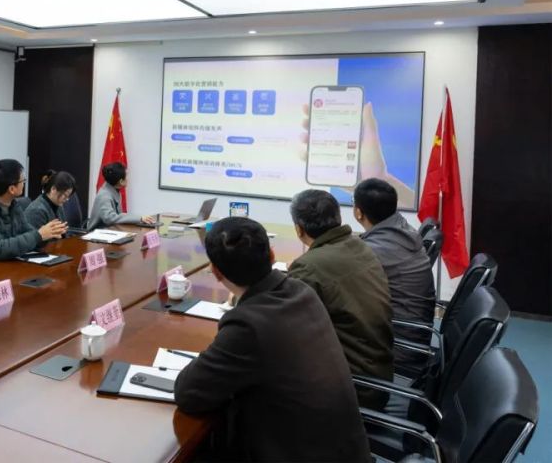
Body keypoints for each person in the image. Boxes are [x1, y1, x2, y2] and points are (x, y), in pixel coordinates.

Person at [174, 217, 370, 462]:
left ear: (215, 272)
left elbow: (188, 393)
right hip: (345, 451)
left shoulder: (248, 326)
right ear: (272, 255)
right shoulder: (302, 291)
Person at [287, 189, 394, 409]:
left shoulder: (309, 266)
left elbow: (279, 325)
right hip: (378, 375)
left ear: (299, 229)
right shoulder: (358, 245)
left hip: (350, 389)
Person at [354, 178, 436, 372]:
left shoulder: (372, 251)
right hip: (415, 336)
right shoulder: (403, 230)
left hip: (398, 349)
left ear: (358, 212)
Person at [0, 159, 68, 266]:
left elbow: (28, 232)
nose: (24, 184)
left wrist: (46, 234)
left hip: (3, 264)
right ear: (12, 189)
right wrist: (38, 235)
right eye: (23, 181)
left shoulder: (13, 205)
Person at [86, 162, 154, 230]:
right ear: (121, 181)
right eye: (126, 176)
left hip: (110, 230)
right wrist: (139, 218)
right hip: (96, 233)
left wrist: (138, 218)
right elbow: (110, 218)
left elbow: (118, 216)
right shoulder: (104, 196)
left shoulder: (114, 189)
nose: (128, 179)